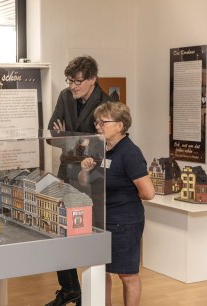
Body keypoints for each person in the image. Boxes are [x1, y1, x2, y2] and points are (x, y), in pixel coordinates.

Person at [45, 55, 110, 306]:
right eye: (70, 80)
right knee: (60, 231)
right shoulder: (64, 96)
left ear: (93, 79)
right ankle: (71, 289)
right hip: (66, 173)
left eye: (78, 81)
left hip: (93, 178)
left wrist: (68, 138)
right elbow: (52, 135)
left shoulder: (106, 103)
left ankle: (92, 296)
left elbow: (100, 145)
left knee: (88, 235)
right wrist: (78, 140)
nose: (72, 86)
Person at [78, 102, 155, 306]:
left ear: (120, 126)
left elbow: (148, 193)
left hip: (125, 223)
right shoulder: (98, 147)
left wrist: (123, 196)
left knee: (127, 275)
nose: (98, 126)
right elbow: (84, 182)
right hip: (101, 219)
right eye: (97, 121)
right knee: (101, 270)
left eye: (103, 122)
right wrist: (84, 170)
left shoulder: (130, 153)